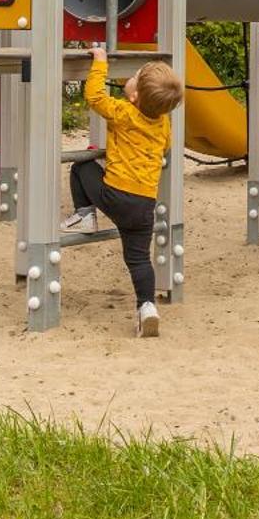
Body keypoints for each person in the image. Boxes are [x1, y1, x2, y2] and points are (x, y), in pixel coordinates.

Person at [65, 46, 182, 336]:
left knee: (81, 167)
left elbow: (94, 97)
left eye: (135, 77)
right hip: (144, 204)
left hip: (116, 195)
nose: (132, 76)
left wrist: (100, 63)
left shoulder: (123, 112)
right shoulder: (163, 122)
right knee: (139, 259)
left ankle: (84, 215)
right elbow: (164, 146)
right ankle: (146, 307)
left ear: (134, 97)